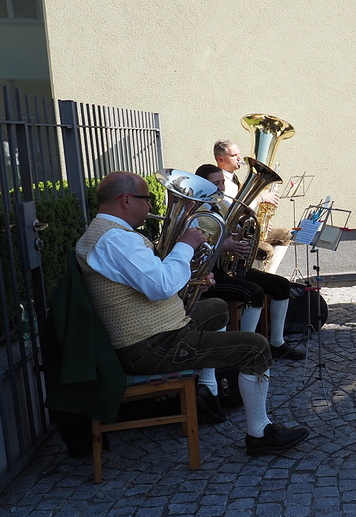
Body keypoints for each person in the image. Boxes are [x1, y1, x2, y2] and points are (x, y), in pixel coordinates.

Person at [75, 171, 309, 455]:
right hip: (149, 346)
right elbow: (160, 286)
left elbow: (147, 278)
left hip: (152, 331)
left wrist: (190, 277)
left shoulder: (107, 233)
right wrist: (185, 245)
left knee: (218, 308)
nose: (150, 206)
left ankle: (208, 388)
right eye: (146, 199)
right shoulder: (115, 240)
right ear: (126, 200)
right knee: (256, 347)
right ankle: (259, 434)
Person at [195, 164, 305, 361]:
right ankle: (249, 349)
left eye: (222, 182)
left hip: (230, 268)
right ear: (202, 184)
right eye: (215, 183)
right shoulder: (196, 209)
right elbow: (194, 244)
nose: (221, 187)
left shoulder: (222, 204)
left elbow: (238, 229)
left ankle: (277, 342)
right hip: (208, 273)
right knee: (254, 292)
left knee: (281, 285)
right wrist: (223, 245)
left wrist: (247, 221)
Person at [213, 139, 292, 274]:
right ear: (221, 159)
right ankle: (258, 276)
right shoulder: (221, 183)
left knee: (284, 234)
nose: (239, 158)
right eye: (234, 155)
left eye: (239, 154)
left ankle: (271, 273)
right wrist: (261, 198)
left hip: (246, 228)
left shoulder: (234, 178)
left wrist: (261, 223)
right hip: (235, 232)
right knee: (267, 250)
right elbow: (233, 210)